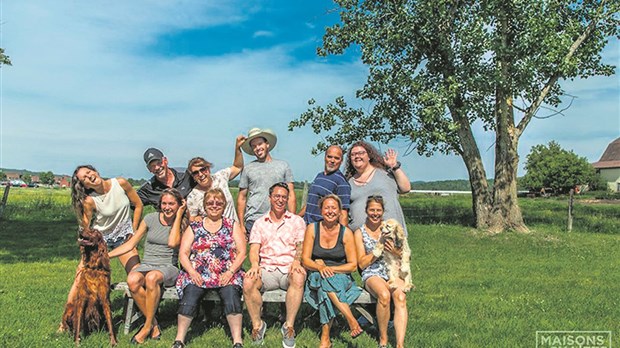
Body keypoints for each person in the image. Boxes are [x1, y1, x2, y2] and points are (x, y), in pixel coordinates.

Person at [59, 164, 143, 331]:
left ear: (96, 171)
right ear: (84, 186)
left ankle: (146, 316)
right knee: (79, 281)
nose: (89, 176)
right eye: (84, 178)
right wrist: (86, 251)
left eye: (89, 172)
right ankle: (64, 322)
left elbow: (138, 205)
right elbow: (85, 228)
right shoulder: (90, 201)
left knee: (138, 275)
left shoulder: (121, 183)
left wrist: (132, 230)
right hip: (100, 243)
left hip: (123, 239)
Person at [108, 188, 186, 344]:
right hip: (147, 263)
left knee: (152, 277)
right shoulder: (150, 218)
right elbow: (131, 243)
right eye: (164, 203)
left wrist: (178, 216)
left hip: (168, 267)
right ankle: (154, 324)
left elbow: (172, 243)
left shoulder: (182, 223)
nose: (167, 207)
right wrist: (107, 256)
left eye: (171, 203)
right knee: (132, 279)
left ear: (179, 205)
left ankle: (146, 327)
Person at [173, 188, 246, 348]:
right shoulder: (195, 226)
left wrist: (230, 271)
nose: (214, 205)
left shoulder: (231, 225)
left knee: (231, 294)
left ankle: (237, 340)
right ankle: (179, 340)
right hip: (198, 273)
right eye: (210, 203)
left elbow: (242, 252)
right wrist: (191, 272)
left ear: (224, 205)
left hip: (226, 272)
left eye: (218, 203)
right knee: (190, 293)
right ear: (205, 205)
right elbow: (183, 253)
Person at [243, 182, 306, 348]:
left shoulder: (296, 221)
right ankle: (258, 325)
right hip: (267, 269)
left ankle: (288, 326)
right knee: (248, 281)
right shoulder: (260, 222)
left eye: (284, 197)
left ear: (288, 199)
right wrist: (255, 265)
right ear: (270, 198)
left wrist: (297, 260)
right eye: (277, 196)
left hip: (288, 268)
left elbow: (300, 245)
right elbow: (254, 248)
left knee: (299, 277)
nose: (280, 200)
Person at [302, 194, 363, 348]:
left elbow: (352, 265)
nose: (330, 211)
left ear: (340, 211)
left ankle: (325, 337)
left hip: (341, 275)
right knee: (323, 279)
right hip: (317, 273)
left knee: (324, 289)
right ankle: (350, 318)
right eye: (327, 207)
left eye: (334, 208)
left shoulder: (346, 232)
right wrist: (320, 267)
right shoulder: (312, 229)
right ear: (321, 211)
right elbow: (305, 260)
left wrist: (330, 269)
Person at [354, 196, 409, 348]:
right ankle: (383, 340)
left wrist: (395, 252)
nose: (375, 213)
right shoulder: (359, 233)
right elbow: (361, 263)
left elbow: (404, 254)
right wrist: (376, 252)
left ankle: (400, 344)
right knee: (384, 296)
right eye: (372, 210)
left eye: (378, 210)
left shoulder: (391, 229)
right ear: (366, 211)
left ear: (383, 212)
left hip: (392, 270)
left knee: (400, 296)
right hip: (372, 273)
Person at [237, 127, 296, 236]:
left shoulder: (283, 166)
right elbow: (242, 198)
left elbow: (291, 194)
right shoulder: (248, 168)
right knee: (255, 252)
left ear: (267, 144)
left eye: (260, 144)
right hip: (253, 219)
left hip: (278, 218)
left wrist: (292, 220)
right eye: (254, 146)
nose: (257, 148)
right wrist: (241, 224)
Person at [345, 141, 411, 235]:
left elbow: (405, 188)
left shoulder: (385, 173)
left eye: (361, 153)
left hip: (389, 234)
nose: (357, 156)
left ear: (369, 156)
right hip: (361, 238)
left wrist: (394, 167)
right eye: (353, 154)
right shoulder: (348, 182)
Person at [186, 135, 246, 223]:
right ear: (193, 177)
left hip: (233, 230)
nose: (200, 174)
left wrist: (237, 147)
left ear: (208, 169)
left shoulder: (221, 176)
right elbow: (192, 219)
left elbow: (238, 167)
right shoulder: (193, 196)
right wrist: (197, 219)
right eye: (195, 173)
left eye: (203, 169)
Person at [298, 145, 351, 226]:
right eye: (329, 157)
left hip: (321, 230)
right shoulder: (319, 176)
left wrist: (344, 236)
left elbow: (343, 214)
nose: (332, 160)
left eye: (336, 158)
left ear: (341, 161)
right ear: (325, 157)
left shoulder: (342, 183)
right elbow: (310, 203)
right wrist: (296, 218)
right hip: (306, 227)